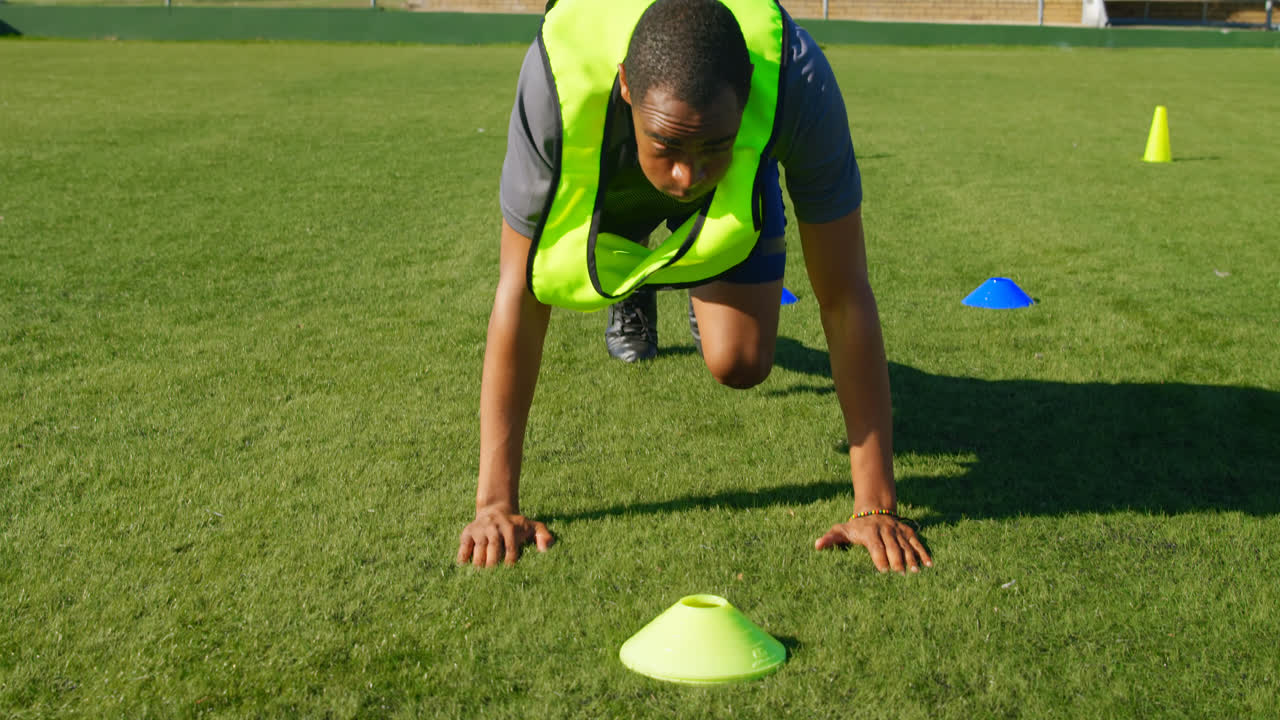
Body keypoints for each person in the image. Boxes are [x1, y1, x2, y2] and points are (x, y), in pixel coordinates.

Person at [456, 0, 932, 573]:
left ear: (747, 91)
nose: (686, 176)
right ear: (626, 84)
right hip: (612, 174)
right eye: (669, 147)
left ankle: (694, 256)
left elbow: (845, 293)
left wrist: (875, 506)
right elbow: (519, 289)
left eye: (713, 146)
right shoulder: (554, 84)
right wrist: (495, 504)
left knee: (740, 361)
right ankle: (635, 280)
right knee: (643, 186)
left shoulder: (798, 79)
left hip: (721, 178)